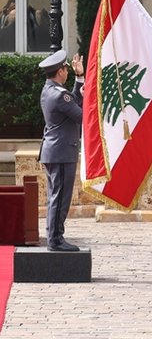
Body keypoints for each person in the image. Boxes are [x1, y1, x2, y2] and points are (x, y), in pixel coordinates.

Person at [38, 50, 84, 251]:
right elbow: (81, 115)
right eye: (66, 69)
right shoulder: (59, 95)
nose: (67, 71)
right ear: (60, 71)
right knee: (60, 197)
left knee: (55, 196)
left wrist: (79, 78)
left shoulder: (51, 90)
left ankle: (54, 236)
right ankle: (56, 240)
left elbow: (71, 102)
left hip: (55, 150)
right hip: (61, 152)